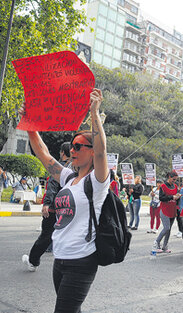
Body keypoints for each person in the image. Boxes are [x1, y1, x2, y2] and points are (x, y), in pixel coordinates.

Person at [21, 88, 109, 312]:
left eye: (78, 146)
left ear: (90, 151)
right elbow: (44, 155)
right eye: (72, 146)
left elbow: (101, 152)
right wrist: (30, 126)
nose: (73, 150)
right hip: (60, 259)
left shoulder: (97, 181)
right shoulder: (69, 178)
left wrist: (94, 113)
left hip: (81, 261)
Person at [22, 141, 71, 271]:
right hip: (69, 209)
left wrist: (47, 203)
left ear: (62, 153)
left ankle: (33, 261)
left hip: (55, 208)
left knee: (46, 236)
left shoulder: (60, 168)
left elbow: (52, 186)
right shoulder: (77, 168)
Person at [152, 171, 181, 253]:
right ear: (169, 177)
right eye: (173, 179)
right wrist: (172, 197)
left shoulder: (175, 186)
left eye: (175, 179)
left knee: (169, 230)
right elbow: (161, 198)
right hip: (164, 210)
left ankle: (165, 246)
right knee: (166, 228)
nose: (174, 181)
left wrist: (177, 197)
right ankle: (156, 243)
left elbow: (176, 198)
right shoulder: (163, 186)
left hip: (172, 209)